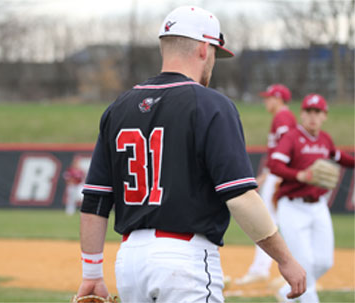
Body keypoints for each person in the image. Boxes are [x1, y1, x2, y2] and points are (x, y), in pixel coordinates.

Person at [76, 6, 306, 303]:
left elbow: (95, 198)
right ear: (203, 48)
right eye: (214, 53)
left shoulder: (118, 108)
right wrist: (285, 259)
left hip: (129, 261)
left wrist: (92, 274)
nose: (213, 62)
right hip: (185, 260)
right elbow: (240, 197)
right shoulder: (211, 105)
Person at [269, 93, 354, 303]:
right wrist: (299, 175)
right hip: (293, 207)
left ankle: (285, 294)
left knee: (325, 261)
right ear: (302, 114)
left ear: (325, 115)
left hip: (318, 207)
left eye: (318, 112)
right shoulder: (291, 137)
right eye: (309, 111)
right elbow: (274, 164)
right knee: (305, 262)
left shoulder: (325, 140)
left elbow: (339, 157)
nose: (313, 116)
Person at [236, 84, 297, 285]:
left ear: (278, 99)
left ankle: (261, 269)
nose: (266, 101)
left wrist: (278, 177)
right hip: (276, 174)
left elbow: (287, 149)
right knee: (273, 220)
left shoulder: (283, 118)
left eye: (269, 98)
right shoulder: (283, 117)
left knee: (266, 221)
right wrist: (265, 176)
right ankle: (267, 268)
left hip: (280, 175)